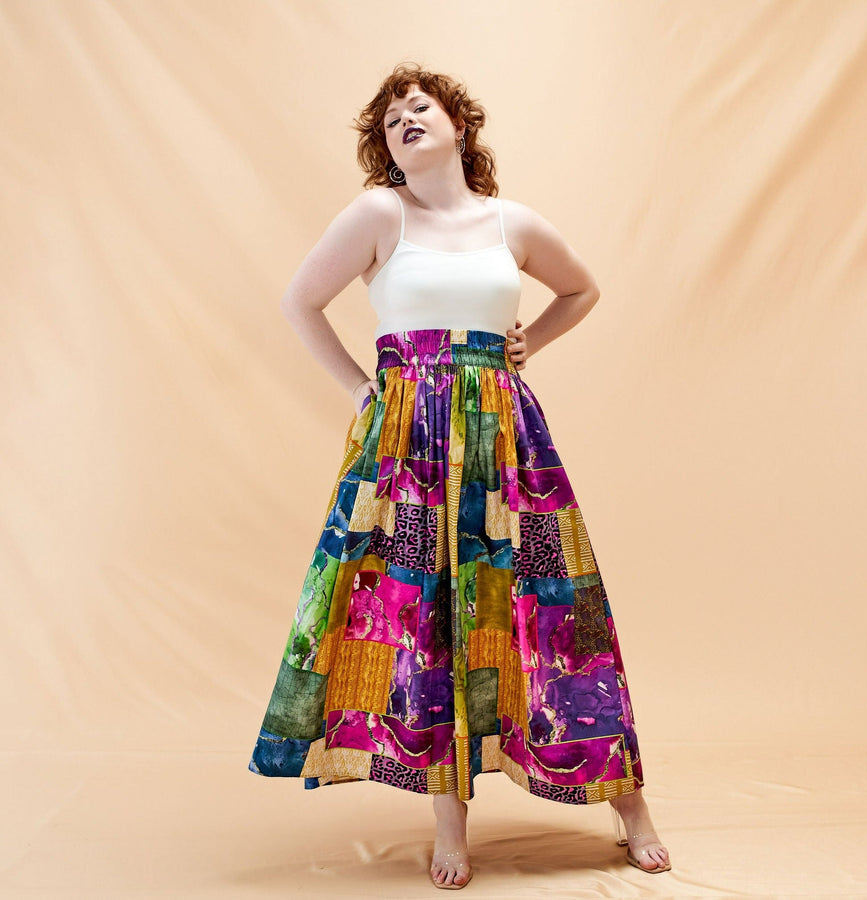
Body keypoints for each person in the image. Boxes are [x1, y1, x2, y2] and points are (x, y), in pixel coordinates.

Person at [248, 62, 671, 890]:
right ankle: (449, 822)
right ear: (385, 148)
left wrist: (529, 341)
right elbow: (300, 301)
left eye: (420, 107)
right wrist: (359, 389)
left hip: (505, 437)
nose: (405, 120)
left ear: (459, 126)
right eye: (391, 119)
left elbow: (581, 289)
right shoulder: (379, 213)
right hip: (406, 442)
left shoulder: (512, 222)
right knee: (424, 619)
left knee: (558, 611)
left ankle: (631, 808)